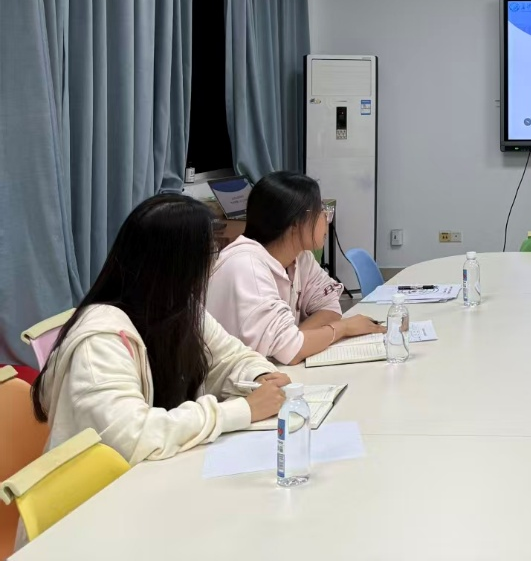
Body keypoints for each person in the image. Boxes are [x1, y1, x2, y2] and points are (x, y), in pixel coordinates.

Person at [31, 195, 288, 466]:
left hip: (160, 469)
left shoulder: (179, 308)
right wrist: (241, 410)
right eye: (211, 253)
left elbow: (231, 356)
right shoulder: (100, 339)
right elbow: (132, 437)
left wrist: (259, 377)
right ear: (178, 264)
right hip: (101, 486)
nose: (212, 265)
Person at [206, 171, 384, 365]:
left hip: (266, 371)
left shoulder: (300, 257)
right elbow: (291, 352)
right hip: (231, 380)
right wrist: (344, 328)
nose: (326, 218)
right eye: (321, 211)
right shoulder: (246, 266)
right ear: (296, 223)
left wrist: (297, 339)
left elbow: (329, 307)